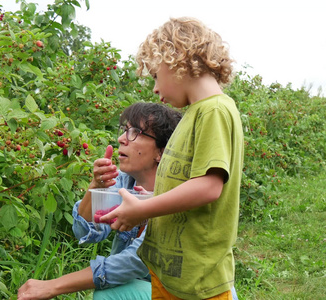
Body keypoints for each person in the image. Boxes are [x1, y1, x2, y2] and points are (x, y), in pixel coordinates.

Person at [100, 17, 244, 299]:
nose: (155, 89)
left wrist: (143, 210)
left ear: (175, 60)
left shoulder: (214, 111)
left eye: (155, 76)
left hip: (198, 283)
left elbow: (209, 186)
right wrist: (152, 198)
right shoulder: (193, 114)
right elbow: (187, 183)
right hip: (169, 273)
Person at [17, 102, 182, 300]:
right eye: (124, 130)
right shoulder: (123, 181)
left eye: (135, 132)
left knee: (111, 292)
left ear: (161, 152)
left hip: (178, 293)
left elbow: (134, 261)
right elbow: (84, 232)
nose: (121, 139)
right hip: (143, 289)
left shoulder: (178, 196)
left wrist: (53, 286)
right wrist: (95, 187)